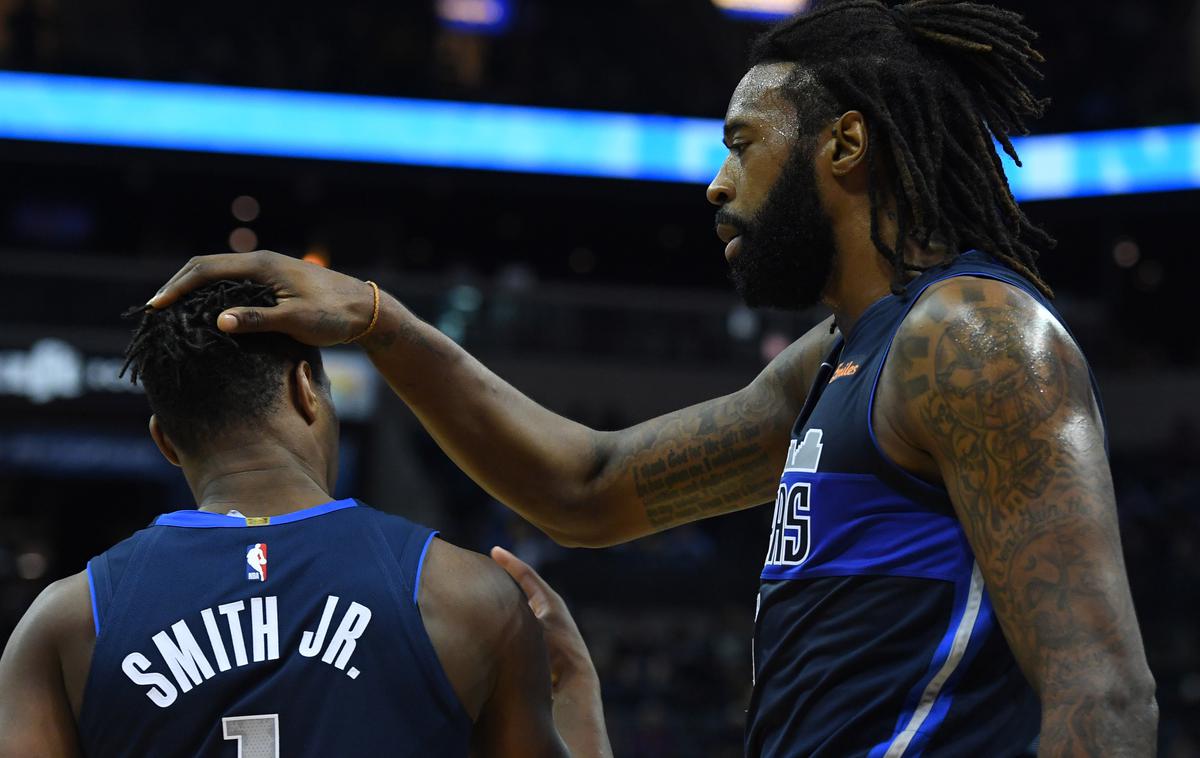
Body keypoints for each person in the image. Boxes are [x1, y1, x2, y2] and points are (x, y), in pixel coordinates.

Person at [143, 0, 1158, 754]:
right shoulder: (843, 356)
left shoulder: (973, 336)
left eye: (743, 145)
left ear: (846, 144)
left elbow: (1100, 692)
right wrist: (380, 320)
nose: (717, 184)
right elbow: (588, 485)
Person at [0, 280, 611, 757]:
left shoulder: (64, 623)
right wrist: (577, 688)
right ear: (306, 388)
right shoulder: (470, 595)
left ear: (165, 440)